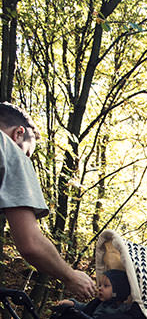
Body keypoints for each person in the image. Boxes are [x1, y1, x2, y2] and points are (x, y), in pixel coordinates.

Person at [0, 102, 95, 299]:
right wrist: (71, 276)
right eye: (27, 154)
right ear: (18, 133)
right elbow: (30, 243)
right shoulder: (8, 148)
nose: (25, 158)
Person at [32, 270, 131, 319]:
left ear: (117, 291)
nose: (100, 288)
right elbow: (85, 308)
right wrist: (73, 303)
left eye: (106, 286)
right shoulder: (98, 303)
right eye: (100, 285)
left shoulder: (121, 309)